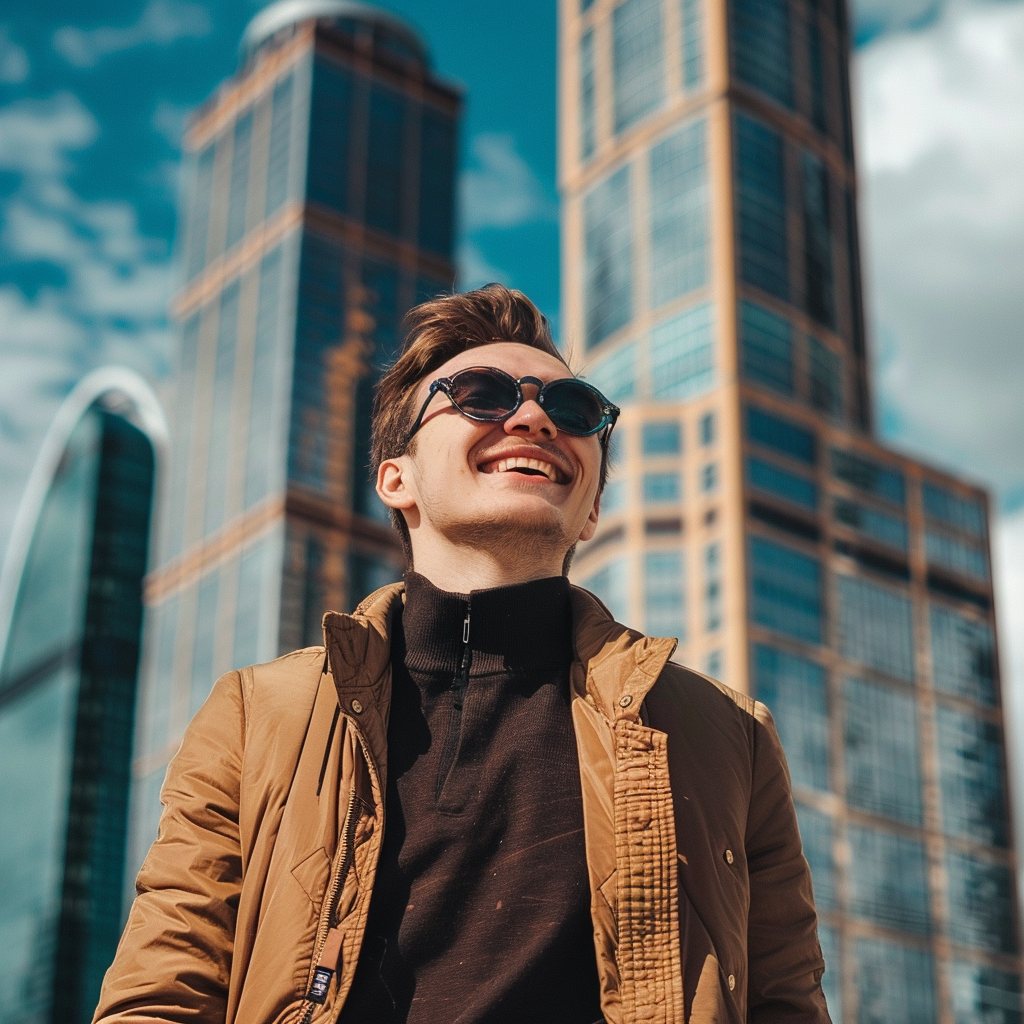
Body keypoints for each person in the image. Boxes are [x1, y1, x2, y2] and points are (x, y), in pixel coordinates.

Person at [95, 284, 830, 1024]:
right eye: (481, 395)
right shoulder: (258, 716)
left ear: (594, 507)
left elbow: (787, 1005)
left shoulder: (727, 735)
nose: (535, 417)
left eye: (573, 410)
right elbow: (164, 994)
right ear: (396, 479)